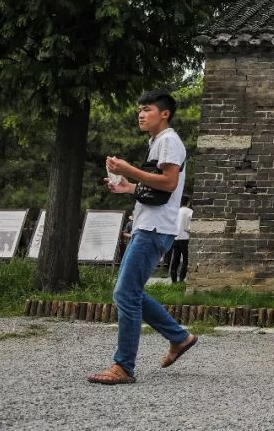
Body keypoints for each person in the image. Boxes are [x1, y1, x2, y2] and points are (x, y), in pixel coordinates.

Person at [87, 90, 197, 385]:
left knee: (125, 293)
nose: (140, 114)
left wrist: (129, 170)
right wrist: (127, 187)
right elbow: (156, 191)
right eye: (139, 109)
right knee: (129, 292)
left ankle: (123, 367)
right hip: (148, 226)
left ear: (165, 114)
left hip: (155, 229)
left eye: (146, 109)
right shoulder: (158, 143)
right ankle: (179, 337)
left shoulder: (169, 141)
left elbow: (170, 182)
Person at [169, 196, 193, 283]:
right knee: (186, 259)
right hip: (185, 237)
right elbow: (191, 226)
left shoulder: (176, 211)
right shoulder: (190, 211)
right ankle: (181, 279)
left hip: (175, 237)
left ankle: (173, 280)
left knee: (176, 258)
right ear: (188, 202)